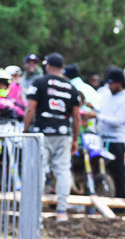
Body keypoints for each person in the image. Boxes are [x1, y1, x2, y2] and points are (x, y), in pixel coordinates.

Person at [24, 53, 80, 222]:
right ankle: (61, 211)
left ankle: (36, 213)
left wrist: (25, 130)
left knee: (39, 170)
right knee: (63, 170)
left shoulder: (40, 82)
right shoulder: (71, 88)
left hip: (42, 133)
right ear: (63, 68)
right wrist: (75, 139)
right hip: (63, 134)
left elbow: (30, 109)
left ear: (47, 66)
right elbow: (76, 117)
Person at [97, 67, 125, 197]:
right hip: (102, 138)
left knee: (118, 172)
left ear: (119, 83)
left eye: (111, 83)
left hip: (116, 140)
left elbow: (119, 121)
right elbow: (100, 106)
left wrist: (97, 116)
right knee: (99, 170)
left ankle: (118, 203)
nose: (109, 86)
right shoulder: (106, 93)